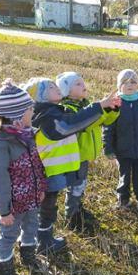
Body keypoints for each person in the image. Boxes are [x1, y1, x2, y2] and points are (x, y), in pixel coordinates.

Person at [0, 79, 48, 275]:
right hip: (12, 204)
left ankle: (29, 256)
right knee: (8, 235)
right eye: (29, 108)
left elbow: (37, 164)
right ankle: (5, 272)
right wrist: (4, 210)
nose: (33, 111)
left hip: (32, 197)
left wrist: (41, 188)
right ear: (17, 115)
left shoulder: (27, 134)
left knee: (31, 226)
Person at [56, 72, 120, 229]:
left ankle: (78, 207)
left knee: (81, 183)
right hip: (74, 156)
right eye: (77, 84)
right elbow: (85, 124)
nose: (83, 85)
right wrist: (100, 107)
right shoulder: (68, 109)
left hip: (84, 155)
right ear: (66, 91)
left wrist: (112, 109)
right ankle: (71, 216)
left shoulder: (87, 106)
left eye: (83, 82)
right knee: (75, 185)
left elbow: (103, 122)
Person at [103, 69, 138, 219]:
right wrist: (107, 148)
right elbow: (107, 127)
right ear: (119, 85)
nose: (130, 84)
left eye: (133, 81)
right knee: (124, 175)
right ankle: (123, 199)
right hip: (122, 150)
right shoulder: (115, 104)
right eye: (125, 81)